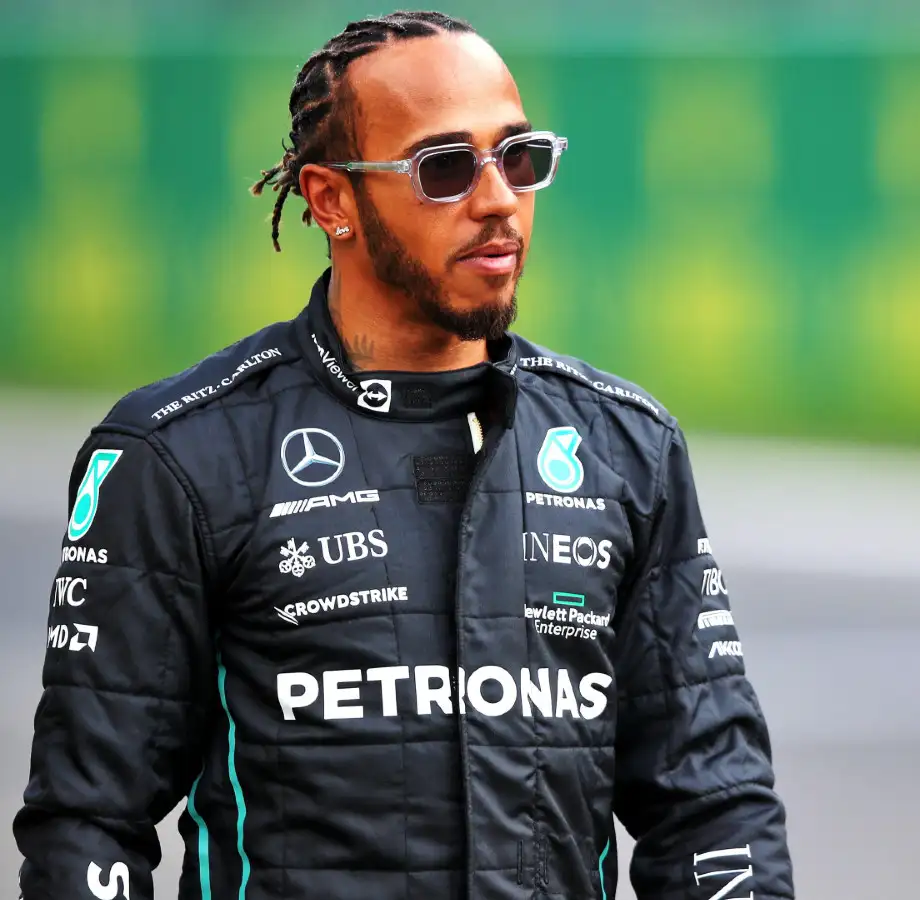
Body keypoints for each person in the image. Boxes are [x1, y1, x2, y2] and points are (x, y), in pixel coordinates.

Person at [14, 11, 793, 900]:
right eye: (445, 168)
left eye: (520, 156)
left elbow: (714, 808)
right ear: (331, 200)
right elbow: (87, 825)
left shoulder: (627, 448)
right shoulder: (175, 456)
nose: (498, 198)